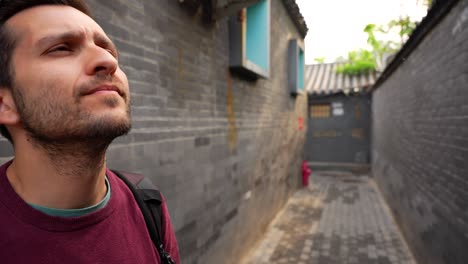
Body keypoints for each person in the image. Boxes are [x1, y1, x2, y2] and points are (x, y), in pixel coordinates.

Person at [0, 0, 180, 263]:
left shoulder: (148, 205)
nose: (108, 61)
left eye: (108, 49)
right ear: (5, 103)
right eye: (61, 48)